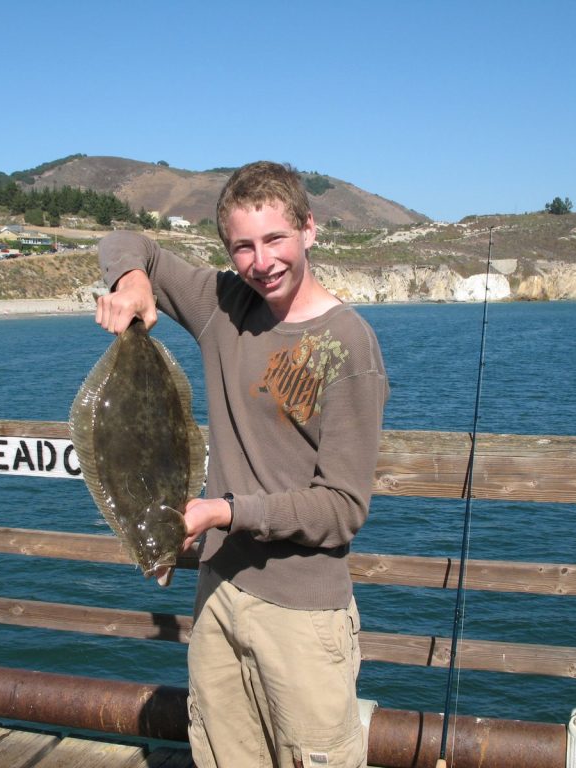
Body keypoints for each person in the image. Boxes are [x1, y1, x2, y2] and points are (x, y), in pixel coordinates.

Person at [95, 161, 388, 768]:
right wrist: (132, 282)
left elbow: (341, 509)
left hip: (303, 617)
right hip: (217, 596)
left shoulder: (350, 344)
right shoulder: (223, 306)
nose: (262, 262)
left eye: (276, 238)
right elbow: (127, 243)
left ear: (310, 228)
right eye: (243, 247)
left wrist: (224, 512)